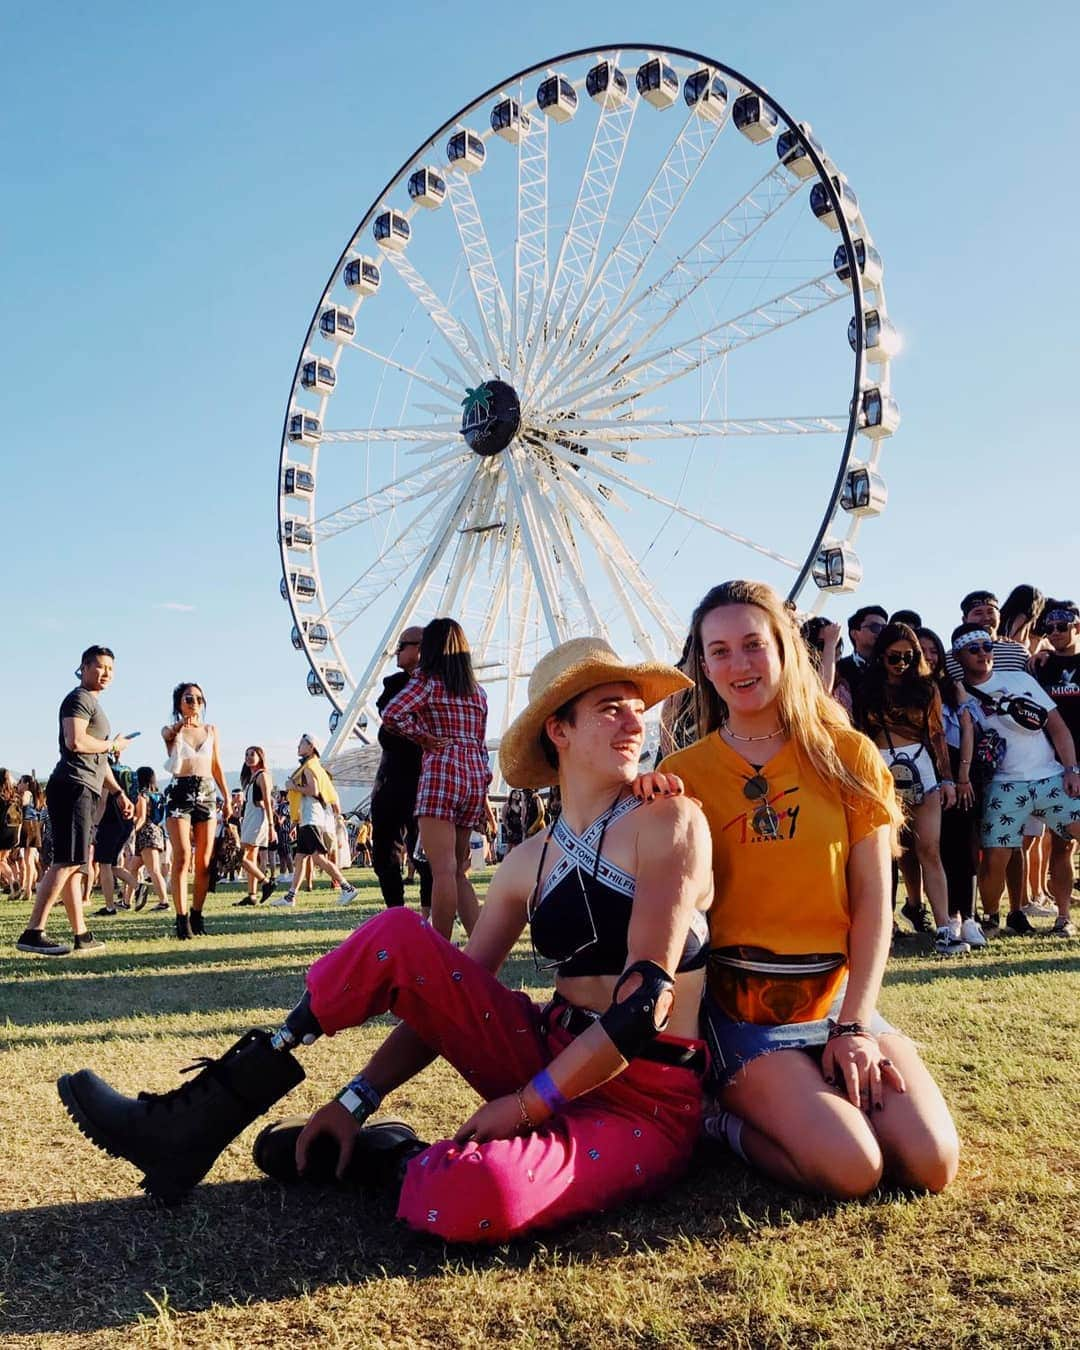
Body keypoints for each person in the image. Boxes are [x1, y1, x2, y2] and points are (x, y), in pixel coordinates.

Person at [55, 637, 714, 1244]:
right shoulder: (527, 861)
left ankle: (391, 1158)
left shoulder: (668, 819)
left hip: (644, 1097)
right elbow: (442, 996)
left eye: (637, 710)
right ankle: (190, 1126)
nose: (635, 723)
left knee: (470, 1193)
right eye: (610, 708)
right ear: (558, 729)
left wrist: (521, 1107)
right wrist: (355, 1098)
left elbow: (645, 1003)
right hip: (548, 1049)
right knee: (401, 933)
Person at [653, 580, 959, 1198]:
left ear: (786, 649)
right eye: (719, 651)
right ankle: (721, 1119)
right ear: (703, 667)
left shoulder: (847, 755)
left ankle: (816, 1080)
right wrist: (641, 806)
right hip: (743, 1009)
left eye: (752, 644)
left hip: (836, 1000)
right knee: (852, 1167)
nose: (739, 664)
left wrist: (854, 1028)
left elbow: (874, 903)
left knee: (931, 1163)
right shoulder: (682, 775)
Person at [954, 624, 1080, 937]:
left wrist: (1071, 769)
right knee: (996, 855)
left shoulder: (1020, 679)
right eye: (974, 649)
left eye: (987, 646)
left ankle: (1064, 918)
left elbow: (1057, 726)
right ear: (959, 656)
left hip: (1050, 774)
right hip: (1004, 783)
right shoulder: (956, 691)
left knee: (1068, 843)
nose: (983, 654)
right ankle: (992, 917)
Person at [856, 623, 965, 956]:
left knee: (929, 850)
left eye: (909, 655)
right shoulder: (867, 688)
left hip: (922, 769)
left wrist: (947, 778)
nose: (901, 662)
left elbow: (937, 735)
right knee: (881, 853)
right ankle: (880, 928)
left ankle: (945, 927)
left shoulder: (925, 687)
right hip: (879, 769)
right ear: (882, 655)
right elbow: (858, 733)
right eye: (894, 656)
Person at [17, 646, 134, 956]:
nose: (107, 673)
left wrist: (119, 792)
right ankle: (33, 932)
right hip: (73, 785)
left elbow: (100, 760)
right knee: (67, 861)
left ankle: (81, 933)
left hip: (84, 786)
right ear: (84, 667)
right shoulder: (79, 698)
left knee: (75, 862)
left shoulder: (92, 703)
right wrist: (113, 744)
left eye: (111, 668)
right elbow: (76, 740)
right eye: (100, 666)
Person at [380, 618, 490, 938]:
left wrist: (423, 738)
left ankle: (438, 948)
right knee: (458, 873)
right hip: (472, 773)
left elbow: (392, 713)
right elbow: (481, 743)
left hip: (442, 770)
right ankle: (483, 948)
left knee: (441, 869)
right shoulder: (477, 692)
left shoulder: (428, 681)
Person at [917, 628, 983, 948]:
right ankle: (948, 918)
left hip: (958, 768)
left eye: (933, 649)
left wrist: (963, 775)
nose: (928, 655)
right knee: (937, 847)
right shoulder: (905, 689)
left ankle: (968, 917)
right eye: (921, 649)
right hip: (921, 769)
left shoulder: (952, 686)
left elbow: (967, 728)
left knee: (965, 845)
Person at [370, 627, 432, 916]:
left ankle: (426, 914)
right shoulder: (393, 682)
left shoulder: (440, 685)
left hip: (424, 777)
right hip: (391, 778)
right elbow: (387, 713)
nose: (396, 651)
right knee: (384, 846)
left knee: (425, 850)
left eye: (401, 645)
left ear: (420, 648)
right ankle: (395, 911)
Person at [161, 682, 231, 939]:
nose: (194, 703)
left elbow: (216, 765)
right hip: (180, 792)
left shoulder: (211, 730)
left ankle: (197, 914)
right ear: (178, 703)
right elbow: (167, 735)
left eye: (199, 699)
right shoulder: (173, 731)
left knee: (203, 862)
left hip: (206, 794)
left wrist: (227, 796)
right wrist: (182, 723)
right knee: (181, 857)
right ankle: (181, 920)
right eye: (188, 698)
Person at [271, 735, 359, 907]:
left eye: (301, 744)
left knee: (317, 858)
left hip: (311, 817)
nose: (298, 746)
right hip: (309, 817)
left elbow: (314, 790)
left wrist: (293, 787)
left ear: (311, 747)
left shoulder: (309, 767)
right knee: (300, 857)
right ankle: (290, 896)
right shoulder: (315, 766)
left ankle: (347, 888)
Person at [236, 746, 276, 907]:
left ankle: (266, 882)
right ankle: (252, 895)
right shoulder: (252, 778)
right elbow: (258, 800)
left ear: (260, 757)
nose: (248, 757)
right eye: (246, 754)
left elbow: (267, 801)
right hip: (250, 818)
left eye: (252, 754)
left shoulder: (262, 776)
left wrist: (272, 825)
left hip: (258, 820)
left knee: (240, 856)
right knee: (250, 858)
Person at [130, 767, 169, 911]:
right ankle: (127, 901)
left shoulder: (142, 796)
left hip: (146, 832)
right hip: (157, 831)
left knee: (154, 870)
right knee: (133, 867)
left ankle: (164, 901)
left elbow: (141, 817)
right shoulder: (159, 795)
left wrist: (132, 830)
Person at [835, 604, 888, 704]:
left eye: (884, 628)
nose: (880, 632)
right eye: (875, 627)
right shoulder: (839, 668)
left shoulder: (892, 665)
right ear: (854, 633)